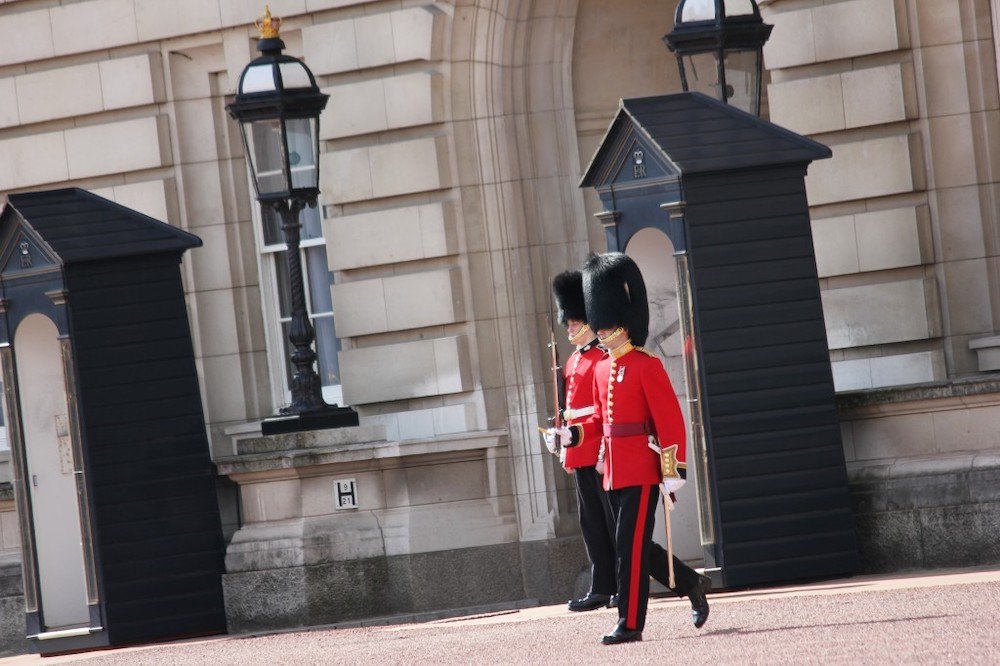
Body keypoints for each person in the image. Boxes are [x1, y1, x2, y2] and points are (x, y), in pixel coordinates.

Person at [581, 252, 711, 646]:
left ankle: (630, 622)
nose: (601, 334)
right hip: (614, 470)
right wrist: (576, 439)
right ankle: (691, 583)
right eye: (599, 328)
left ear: (623, 325)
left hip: (642, 468)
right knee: (633, 544)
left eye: (607, 328)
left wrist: (673, 470)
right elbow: (599, 421)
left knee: (628, 546)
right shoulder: (601, 367)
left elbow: (669, 421)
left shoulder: (645, 364)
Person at [542, 270, 618, 612]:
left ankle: (620, 583)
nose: (569, 328)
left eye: (574, 322)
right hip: (577, 450)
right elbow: (568, 408)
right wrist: (560, 439)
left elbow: (602, 411)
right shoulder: (572, 361)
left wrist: (577, 435)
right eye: (569, 322)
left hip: (599, 450)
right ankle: (601, 585)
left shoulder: (603, 357)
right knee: (591, 524)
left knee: (610, 520)